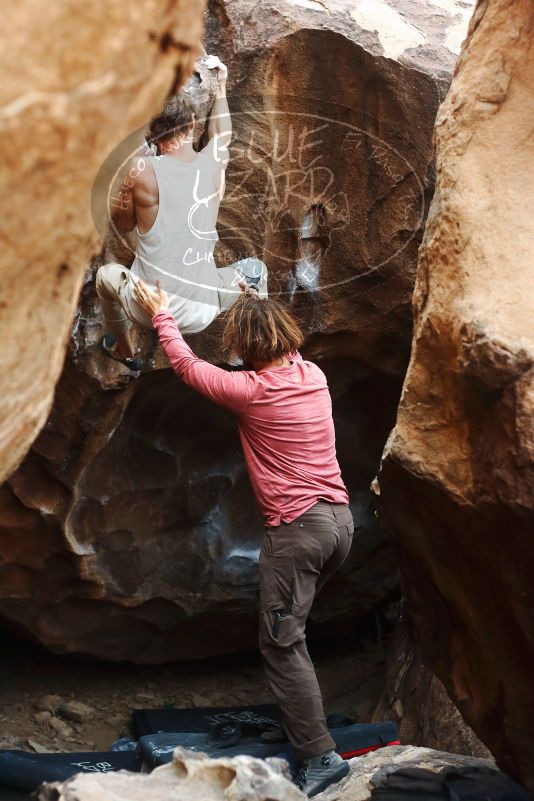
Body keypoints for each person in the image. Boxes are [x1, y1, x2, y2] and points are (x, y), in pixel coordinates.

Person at [133, 278, 354, 798]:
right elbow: (271, 338)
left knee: (281, 643)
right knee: (293, 627)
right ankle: (304, 721)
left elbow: (189, 368)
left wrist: (162, 315)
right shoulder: (314, 375)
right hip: (340, 525)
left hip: (298, 531)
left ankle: (320, 757)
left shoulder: (251, 393)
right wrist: (249, 298)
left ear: (251, 350)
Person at [95, 55, 267, 371]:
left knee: (106, 277)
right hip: (200, 311)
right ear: (191, 126)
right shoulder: (214, 161)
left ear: (153, 135)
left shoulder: (141, 170)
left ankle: (122, 346)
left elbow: (122, 223)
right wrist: (221, 86)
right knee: (257, 270)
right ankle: (253, 353)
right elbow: (222, 135)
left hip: (145, 306)